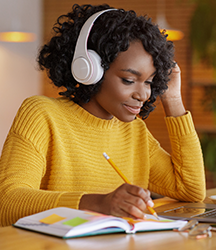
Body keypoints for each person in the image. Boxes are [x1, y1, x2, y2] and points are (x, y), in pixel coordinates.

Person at [0, 4, 205, 227]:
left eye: (149, 82)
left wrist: (173, 99)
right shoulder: (41, 114)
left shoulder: (134, 131)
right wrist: (98, 203)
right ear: (89, 69)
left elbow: (191, 190)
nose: (143, 94)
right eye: (128, 80)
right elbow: (8, 203)